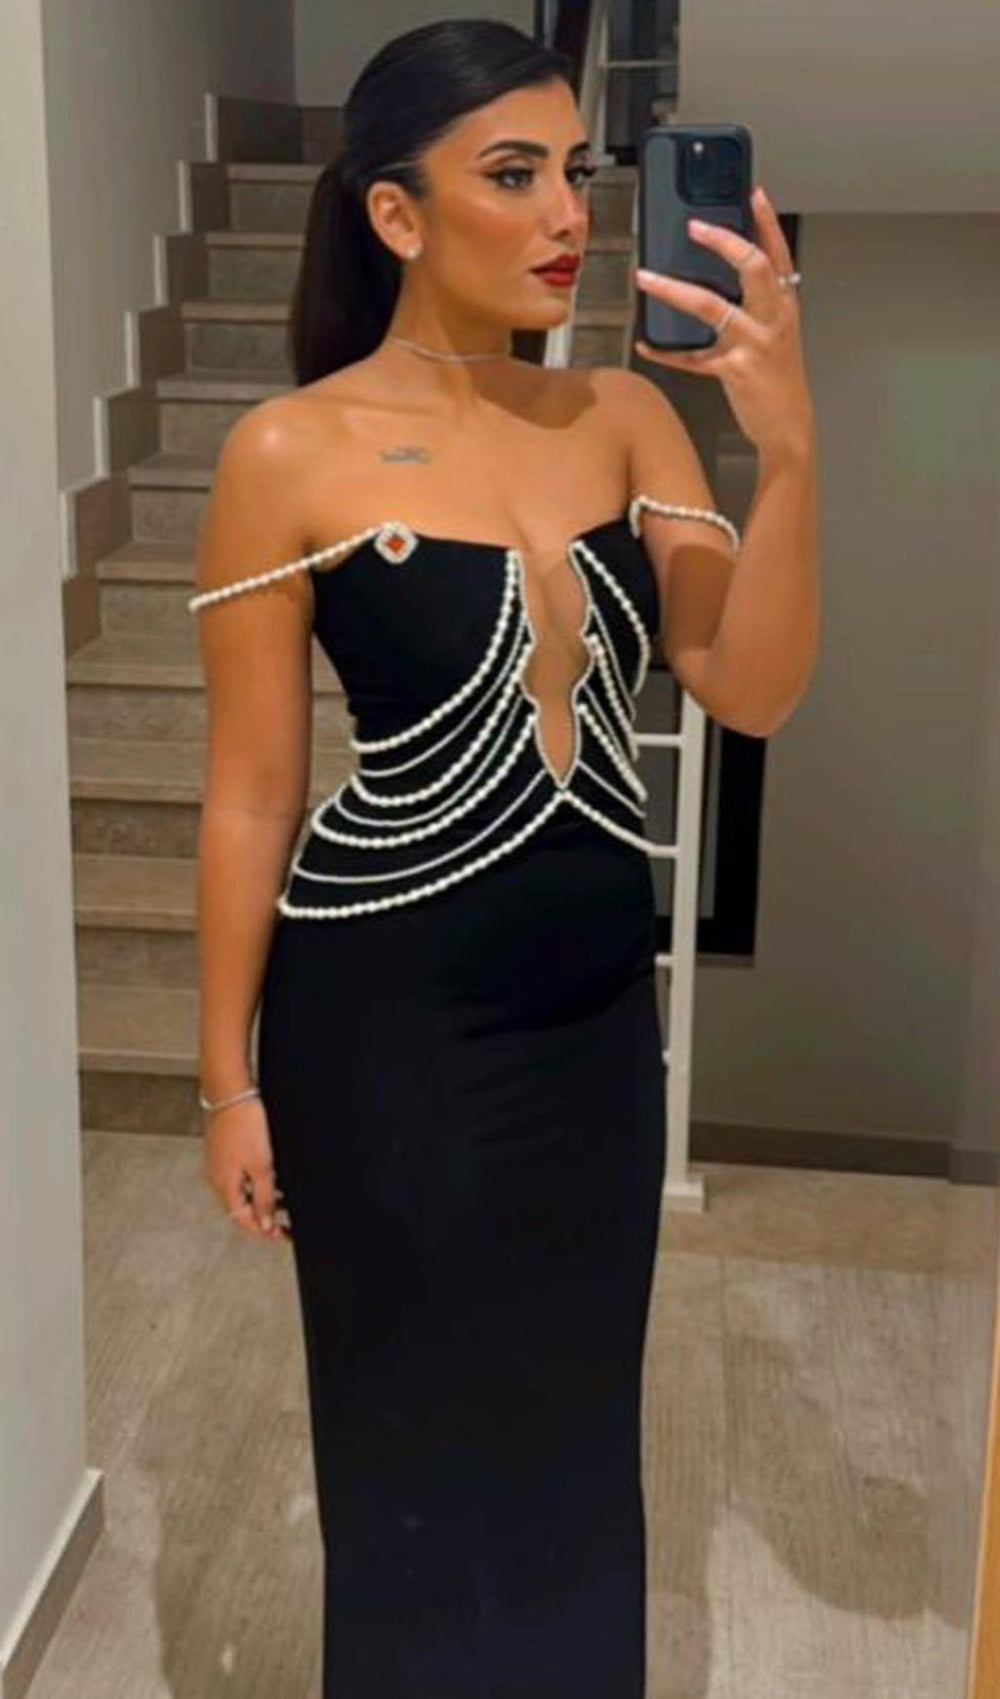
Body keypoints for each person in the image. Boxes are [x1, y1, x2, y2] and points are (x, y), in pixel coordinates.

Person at [188, 17, 817, 1698]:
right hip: (385, 1031)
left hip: (594, 1034)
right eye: (514, 175)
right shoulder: (287, 452)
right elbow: (251, 792)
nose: (567, 216)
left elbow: (750, 684)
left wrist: (791, 445)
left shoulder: (626, 415)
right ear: (397, 215)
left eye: (577, 173)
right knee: (404, 1445)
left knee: (573, 1439)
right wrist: (227, 1081)